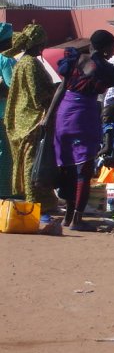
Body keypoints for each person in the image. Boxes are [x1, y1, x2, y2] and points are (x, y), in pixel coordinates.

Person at [53, 30, 114, 230]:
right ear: (105, 48)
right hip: (83, 114)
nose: (113, 50)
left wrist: (48, 117)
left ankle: (67, 217)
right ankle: (77, 219)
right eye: (112, 46)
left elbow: (61, 88)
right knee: (84, 168)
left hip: (63, 113)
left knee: (67, 165)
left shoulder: (75, 58)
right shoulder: (104, 68)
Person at [6, 22, 59, 211]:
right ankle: (33, 201)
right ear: (37, 44)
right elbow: (37, 96)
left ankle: (40, 201)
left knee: (32, 160)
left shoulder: (22, 63)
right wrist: (58, 89)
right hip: (32, 121)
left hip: (23, 120)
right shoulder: (31, 64)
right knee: (33, 162)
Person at [0, 23, 17, 198]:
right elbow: (13, 87)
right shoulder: (6, 60)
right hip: (3, 115)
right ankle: (3, 193)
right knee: (5, 154)